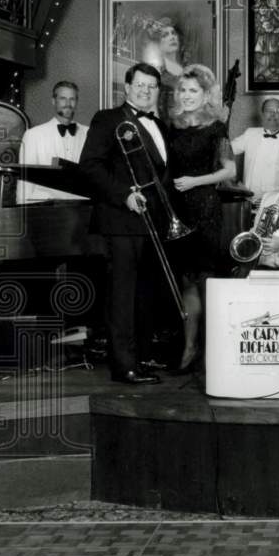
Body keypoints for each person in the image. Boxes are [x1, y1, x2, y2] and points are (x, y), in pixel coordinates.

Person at [78, 63, 173, 385]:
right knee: (123, 296)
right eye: (140, 85)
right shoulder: (107, 119)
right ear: (128, 87)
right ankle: (123, 367)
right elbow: (89, 166)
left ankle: (141, 358)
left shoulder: (159, 123)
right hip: (122, 220)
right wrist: (124, 196)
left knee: (145, 295)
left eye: (152, 87)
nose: (146, 91)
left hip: (152, 224)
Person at [166, 65, 237, 371]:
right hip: (175, 209)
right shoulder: (170, 125)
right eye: (182, 90)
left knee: (206, 280)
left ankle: (214, 351)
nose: (186, 96)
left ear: (206, 95)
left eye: (193, 91)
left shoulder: (216, 127)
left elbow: (230, 170)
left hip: (205, 208)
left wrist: (196, 181)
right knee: (186, 282)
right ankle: (189, 346)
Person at [17, 80, 89, 203]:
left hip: (82, 206)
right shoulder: (34, 135)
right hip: (45, 207)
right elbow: (25, 180)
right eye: (63, 98)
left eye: (72, 99)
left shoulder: (88, 133)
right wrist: (23, 210)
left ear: (76, 102)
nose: (68, 103)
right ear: (53, 101)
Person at [231, 97, 279, 203]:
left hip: (278, 202)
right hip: (250, 199)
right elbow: (227, 150)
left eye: (277, 111)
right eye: (268, 111)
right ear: (262, 114)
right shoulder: (250, 134)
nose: (272, 115)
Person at [138, 17, 186, 119]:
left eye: (173, 33)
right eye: (165, 35)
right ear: (158, 43)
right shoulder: (156, 74)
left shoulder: (188, 71)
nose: (172, 37)